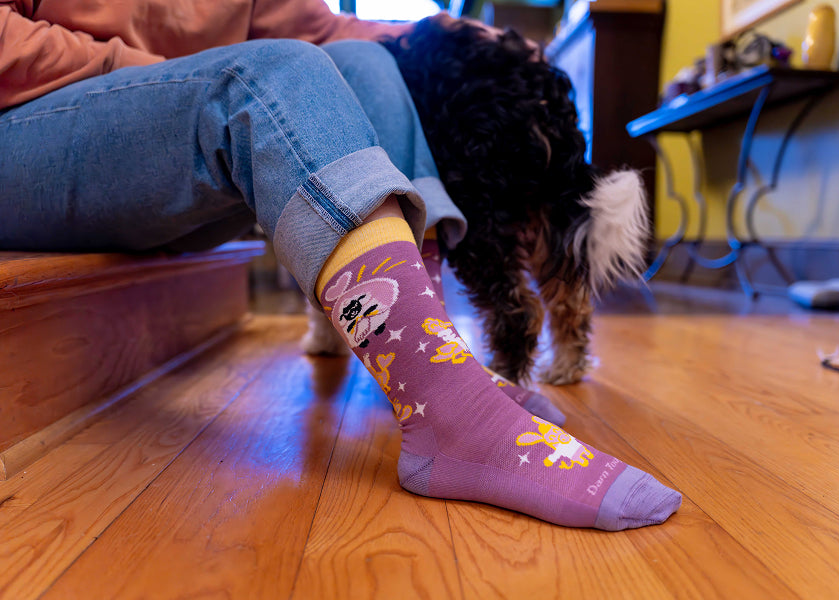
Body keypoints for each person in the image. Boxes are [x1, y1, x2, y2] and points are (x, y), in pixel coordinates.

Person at [0, 0, 681, 530]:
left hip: (180, 154)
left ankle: (431, 367)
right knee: (268, 75)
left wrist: (452, 32)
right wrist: (164, 84)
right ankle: (451, 416)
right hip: (27, 126)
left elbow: (315, 26)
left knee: (367, 69)